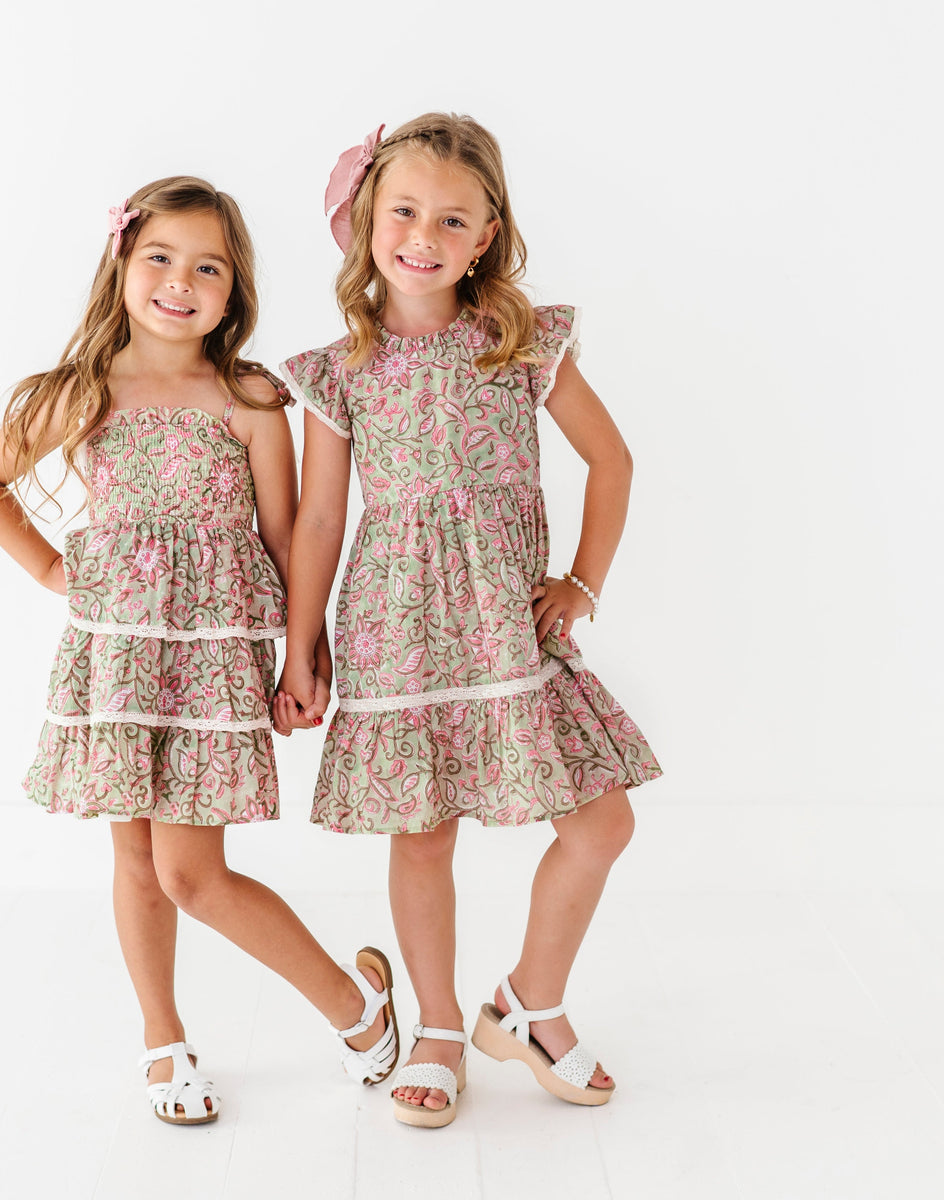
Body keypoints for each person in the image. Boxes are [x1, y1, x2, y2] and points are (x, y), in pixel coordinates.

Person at [0, 176, 398, 1126]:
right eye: (159, 257)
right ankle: (163, 1041)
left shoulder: (246, 395)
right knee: (133, 861)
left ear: (233, 289)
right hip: (120, 658)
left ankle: (355, 1007)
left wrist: (302, 652)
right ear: (122, 262)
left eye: (207, 266)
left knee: (191, 874)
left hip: (209, 661)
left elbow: (287, 536)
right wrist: (52, 574)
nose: (179, 281)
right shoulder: (79, 393)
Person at [274, 116, 662, 1129]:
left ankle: (529, 1002)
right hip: (395, 629)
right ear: (366, 221)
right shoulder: (340, 368)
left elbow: (611, 462)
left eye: (453, 218)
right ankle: (442, 1026)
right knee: (422, 832)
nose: (424, 234)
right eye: (404, 211)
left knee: (601, 820)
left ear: (486, 234)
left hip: (508, 625)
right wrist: (300, 645)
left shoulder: (518, 341)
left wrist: (581, 579)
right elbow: (320, 517)